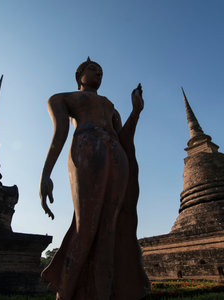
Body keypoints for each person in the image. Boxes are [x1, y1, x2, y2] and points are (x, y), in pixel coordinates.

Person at [39, 57, 149, 300]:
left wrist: (136, 111)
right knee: (85, 226)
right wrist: (46, 173)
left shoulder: (110, 106)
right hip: (87, 148)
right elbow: (60, 133)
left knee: (110, 229)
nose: (98, 74)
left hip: (116, 156)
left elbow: (124, 138)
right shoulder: (62, 98)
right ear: (79, 75)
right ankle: (65, 293)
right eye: (92, 69)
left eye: (101, 72)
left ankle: (102, 293)